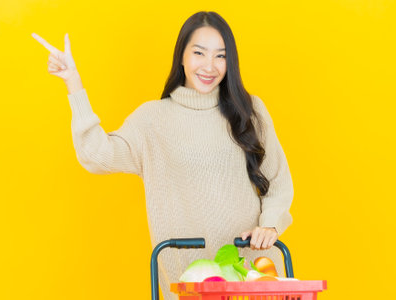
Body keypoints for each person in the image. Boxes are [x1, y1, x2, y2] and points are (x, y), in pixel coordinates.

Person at [32, 11, 293, 300]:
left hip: (253, 274)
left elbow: (278, 179)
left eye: (220, 56)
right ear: (181, 56)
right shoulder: (153, 120)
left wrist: (270, 222)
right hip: (188, 280)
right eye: (199, 53)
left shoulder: (250, 111)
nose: (210, 66)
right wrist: (73, 83)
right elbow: (96, 155)